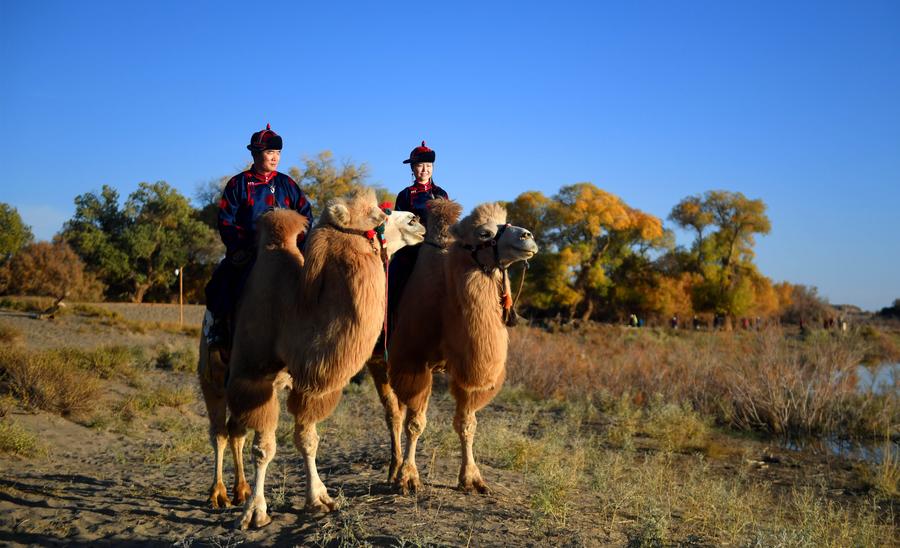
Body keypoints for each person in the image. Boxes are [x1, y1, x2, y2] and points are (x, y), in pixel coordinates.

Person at [204, 124, 314, 349]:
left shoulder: (288, 184)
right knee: (220, 281)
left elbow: (306, 216)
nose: (275, 158)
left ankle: (311, 334)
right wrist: (238, 249)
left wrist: (299, 246)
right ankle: (217, 329)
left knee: (313, 283)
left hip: (287, 252)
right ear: (255, 154)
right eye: (269, 153)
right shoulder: (238, 184)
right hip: (249, 251)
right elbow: (226, 220)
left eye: (278, 153)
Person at [386, 141, 449, 333]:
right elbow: (397, 224)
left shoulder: (441, 194)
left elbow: (446, 223)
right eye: (420, 166)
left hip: (436, 249)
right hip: (410, 250)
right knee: (391, 281)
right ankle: (386, 329)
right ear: (413, 169)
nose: (425, 170)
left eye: (428, 166)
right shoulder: (405, 195)